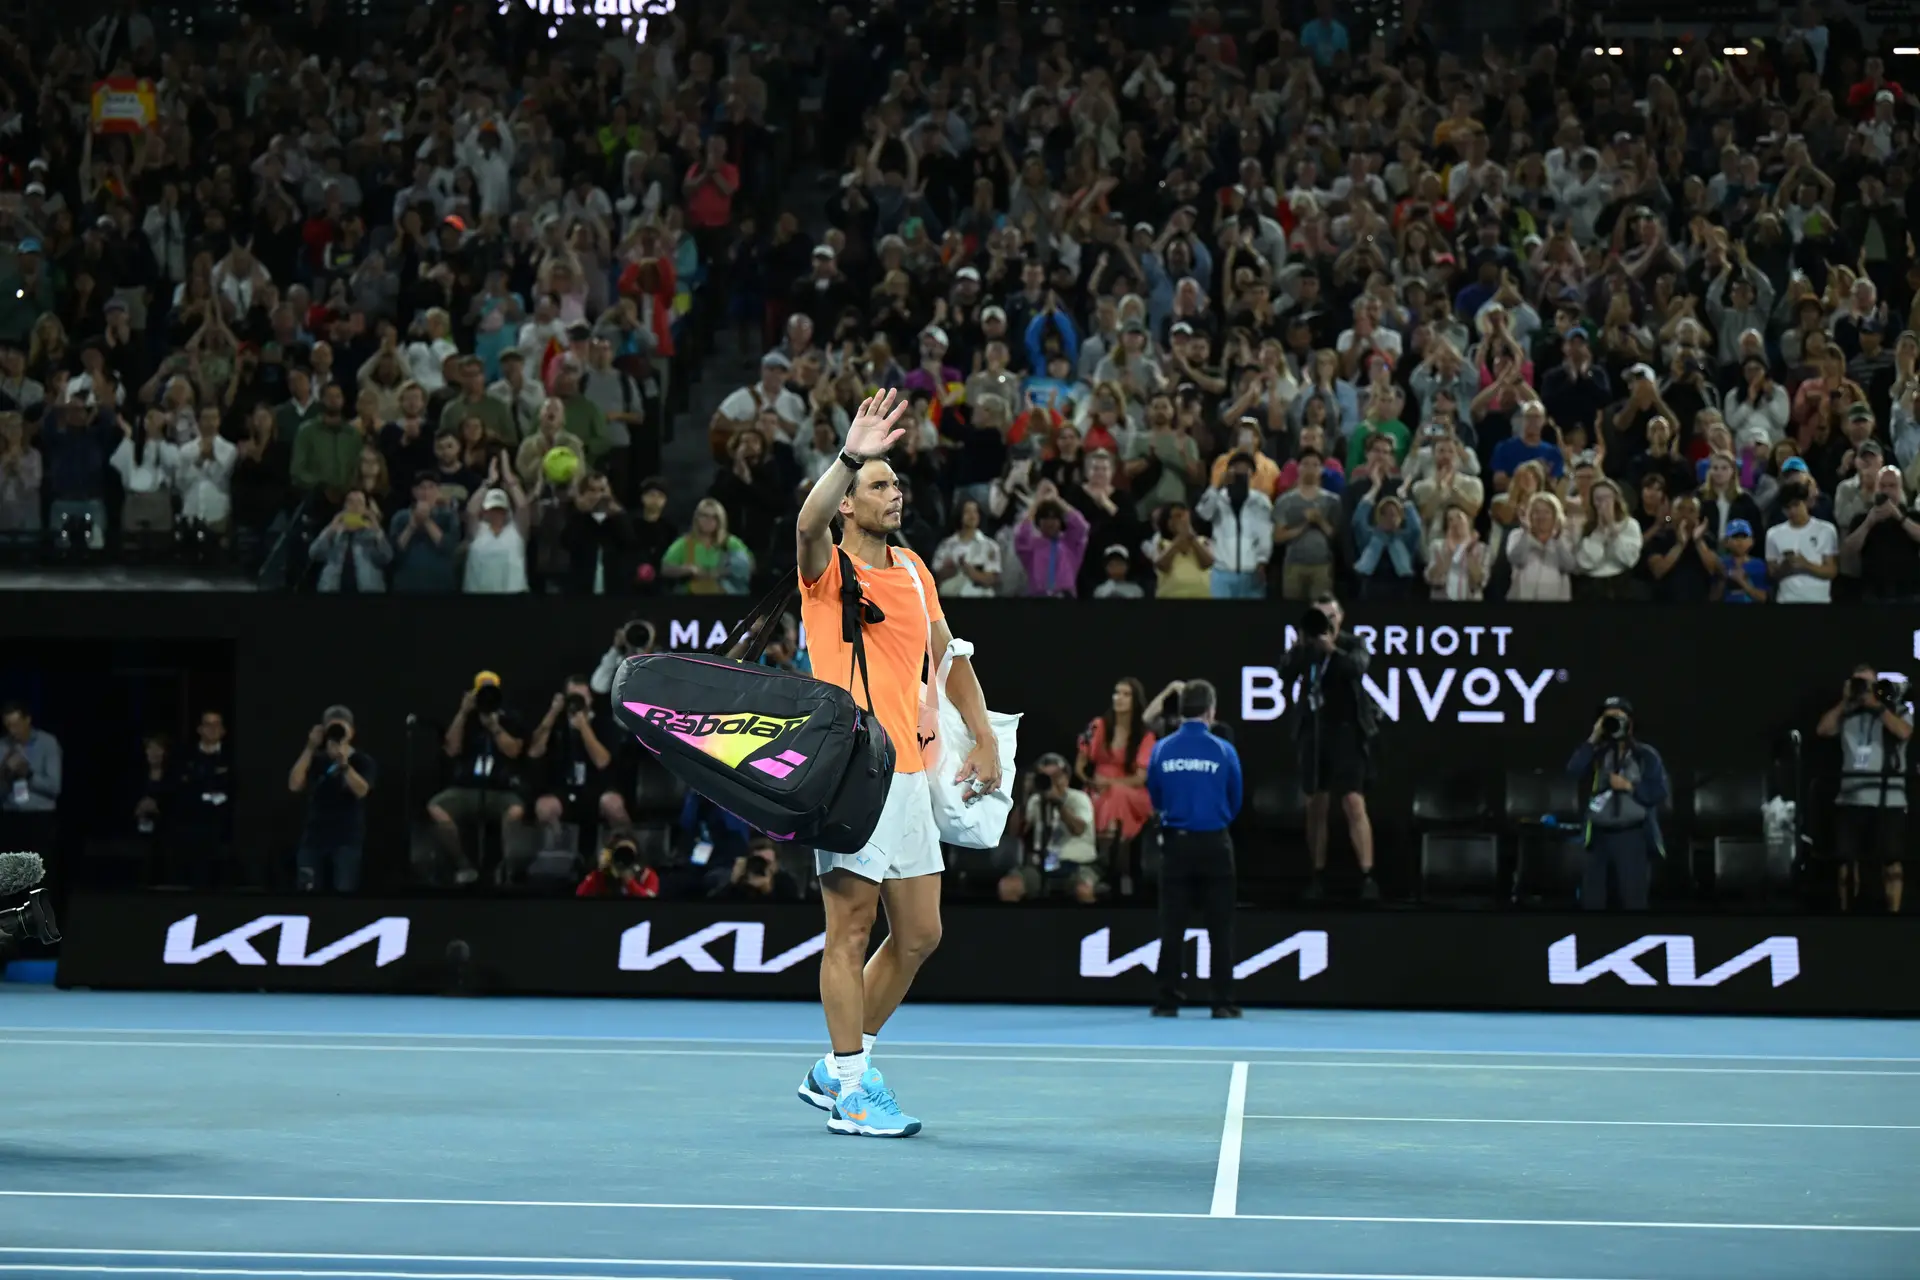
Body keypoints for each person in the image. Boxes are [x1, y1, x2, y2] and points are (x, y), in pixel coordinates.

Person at [792, 388, 1003, 1139]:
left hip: (910, 770)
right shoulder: (824, 568)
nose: (895, 493)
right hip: (848, 772)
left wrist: (982, 737)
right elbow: (805, 521)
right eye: (878, 485)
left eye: (895, 482)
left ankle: (834, 1068)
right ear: (849, 504)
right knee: (848, 928)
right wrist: (849, 454)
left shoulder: (914, 569)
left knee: (920, 934)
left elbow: (948, 657)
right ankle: (853, 1090)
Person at [1145, 680, 1242, 1017]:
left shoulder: (1161, 749)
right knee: (1220, 927)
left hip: (1176, 845)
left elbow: (1155, 796)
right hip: (1215, 844)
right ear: (1211, 710)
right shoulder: (1223, 750)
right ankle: (1223, 1003)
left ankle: (1167, 1000)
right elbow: (1235, 799)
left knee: (1172, 926)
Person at [1277, 597, 1379, 900]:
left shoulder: (1353, 643)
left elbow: (1357, 668)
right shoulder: (1305, 646)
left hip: (1347, 732)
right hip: (1314, 732)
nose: (1327, 622)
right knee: (1316, 804)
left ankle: (1367, 875)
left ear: (1341, 616)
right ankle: (1317, 874)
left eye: (1331, 616)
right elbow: (1284, 673)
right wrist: (1301, 644)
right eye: (1320, 617)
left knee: (1353, 802)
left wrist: (1331, 649)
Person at [1817, 667, 1911, 913]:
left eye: (1870, 684)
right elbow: (1823, 730)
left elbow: (1904, 732)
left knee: (1892, 862)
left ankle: (1895, 915)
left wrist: (1877, 706)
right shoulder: (1847, 715)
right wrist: (1845, 701)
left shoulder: (1896, 710)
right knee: (1846, 862)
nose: (1865, 689)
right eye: (1861, 683)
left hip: (1889, 799)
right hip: (1851, 798)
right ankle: (1847, 913)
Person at [1566, 697, 1669, 911]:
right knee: (1593, 901)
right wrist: (1593, 737)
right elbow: (1573, 771)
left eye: (1618, 718)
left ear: (1630, 723)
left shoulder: (1645, 755)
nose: (1613, 723)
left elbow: (1658, 793)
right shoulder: (1597, 754)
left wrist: (1629, 786)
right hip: (1598, 837)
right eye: (1608, 718)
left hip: (1632, 837)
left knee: (1633, 902)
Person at [427, 672, 527, 886]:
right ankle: (463, 865)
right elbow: (452, 749)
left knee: (516, 810)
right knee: (436, 807)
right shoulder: (467, 719)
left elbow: (514, 751)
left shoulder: (510, 717)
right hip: (466, 787)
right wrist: (463, 712)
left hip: (500, 789)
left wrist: (495, 727)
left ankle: (507, 870)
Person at [287, 706, 375, 893]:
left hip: (346, 839)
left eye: (341, 728)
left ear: (351, 732)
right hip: (314, 838)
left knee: (344, 893)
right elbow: (294, 785)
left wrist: (344, 764)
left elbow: (361, 790)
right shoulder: (315, 759)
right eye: (331, 728)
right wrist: (310, 747)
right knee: (306, 892)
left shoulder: (361, 760)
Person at [0, 703, 60, 878]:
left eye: (16, 725)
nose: (13, 731)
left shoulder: (47, 743)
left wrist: (29, 774)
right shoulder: (2, 746)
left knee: (39, 877)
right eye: (8, 726)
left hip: (40, 818)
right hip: (10, 816)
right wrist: (5, 775)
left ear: (28, 720)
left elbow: (54, 787)